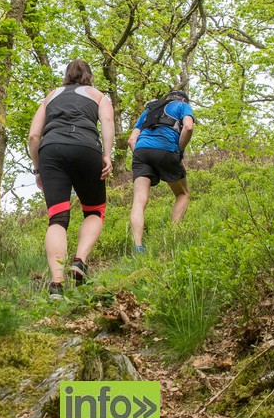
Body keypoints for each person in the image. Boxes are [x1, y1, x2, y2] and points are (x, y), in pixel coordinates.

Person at [27, 60, 114, 300]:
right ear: (90, 76)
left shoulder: (51, 96)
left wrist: (38, 169)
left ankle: (56, 284)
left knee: (57, 217)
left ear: (66, 75)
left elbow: (34, 136)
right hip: (87, 148)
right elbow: (107, 122)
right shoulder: (98, 95)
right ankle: (79, 261)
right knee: (95, 211)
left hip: (52, 150)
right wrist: (107, 154)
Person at [127, 90, 195, 254]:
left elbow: (131, 140)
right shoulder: (182, 106)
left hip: (140, 151)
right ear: (183, 99)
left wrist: (142, 154)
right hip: (166, 148)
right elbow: (188, 127)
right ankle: (172, 236)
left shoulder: (149, 109)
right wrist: (177, 151)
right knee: (183, 194)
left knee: (139, 201)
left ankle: (138, 246)